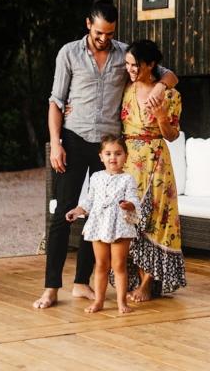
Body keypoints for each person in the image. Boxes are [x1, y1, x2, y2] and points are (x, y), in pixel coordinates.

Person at [34, 0, 177, 310]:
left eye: (110, 34)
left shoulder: (124, 55)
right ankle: (51, 287)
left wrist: (159, 88)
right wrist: (55, 142)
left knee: (100, 214)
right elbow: (56, 102)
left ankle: (81, 283)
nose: (104, 38)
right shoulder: (68, 53)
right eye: (99, 32)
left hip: (108, 148)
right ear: (88, 24)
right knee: (62, 214)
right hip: (73, 140)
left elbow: (167, 74)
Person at [121, 39, 186, 301]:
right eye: (127, 64)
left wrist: (160, 116)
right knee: (131, 220)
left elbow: (171, 135)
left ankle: (148, 283)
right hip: (128, 162)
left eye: (135, 65)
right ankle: (134, 277)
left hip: (157, 162)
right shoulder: (125, 88)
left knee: (157, 221)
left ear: (150, 64)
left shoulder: (170, 96)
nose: (131, 70)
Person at [64, 134, 140, 314]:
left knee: (119, 265)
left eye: (118, 153)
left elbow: (133, 200)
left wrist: (129, 205)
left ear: (126, 157)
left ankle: (122, 302)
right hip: (98, 224)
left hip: (120, 226)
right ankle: (99, 301)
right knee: (101, 265)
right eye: (108, 154)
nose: (113, 157)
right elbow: (90, 200)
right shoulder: (96, 177)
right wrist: (77, 210)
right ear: (101, 157)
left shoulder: (128, 179)